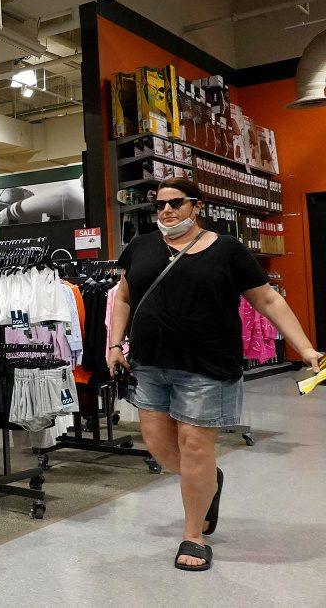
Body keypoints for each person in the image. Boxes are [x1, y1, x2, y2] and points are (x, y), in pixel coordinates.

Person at [108, 177, 321, 572]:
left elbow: (268, 299)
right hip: (150, 364)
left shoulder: (227, 249)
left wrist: (305, 348)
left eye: (176, 202)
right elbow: (123, 297)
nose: (166, 211)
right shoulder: (141, 246)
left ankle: (194, 534)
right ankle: (209, 481)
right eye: (159, 205)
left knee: (194, 446)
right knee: (158, 445)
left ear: (197, 205)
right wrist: (113, 345)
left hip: (207, 365)